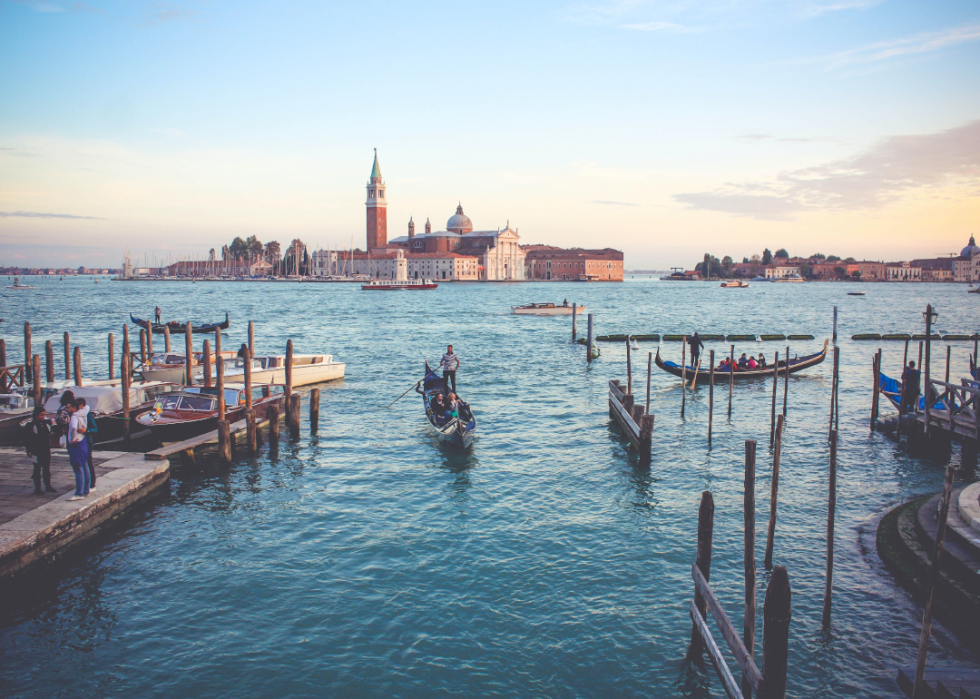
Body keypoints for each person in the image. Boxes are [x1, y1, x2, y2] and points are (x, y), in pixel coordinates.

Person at [24, 406, 54, 495]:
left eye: (44, 415)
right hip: (36, 450)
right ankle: (37, 488)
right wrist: (29, 451)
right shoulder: (30, 425)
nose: (43, 417)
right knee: (37, 470)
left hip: (46, 449)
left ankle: (48, 486)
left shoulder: (47, 423)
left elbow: (49, 434)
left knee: (46, 469)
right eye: (41, 415)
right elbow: (27, 439)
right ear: (36, 415)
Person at [66, 402, 90, 501]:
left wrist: (71, 439)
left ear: (74, 407)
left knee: (78, 469)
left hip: (76, 444)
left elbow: (73, 427)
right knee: (85, 466)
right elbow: (87, 406)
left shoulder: (74, 416)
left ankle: (79, 493)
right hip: (83, 442)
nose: (67, 409)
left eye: (69, 407)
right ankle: (86, 490)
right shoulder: (84, 413)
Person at [83, 398, 98, 491]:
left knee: (88, 463)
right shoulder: (75, 416)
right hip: (78, 444)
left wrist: (86, 431)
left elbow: (95, 429)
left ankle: (92, 483)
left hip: (87, 441)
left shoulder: (87, 414)